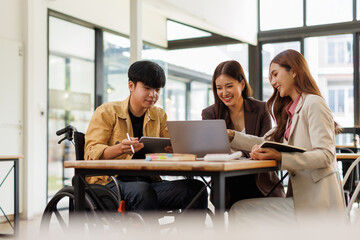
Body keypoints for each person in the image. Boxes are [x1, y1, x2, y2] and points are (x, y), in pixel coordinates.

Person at [228, 50, 345, 224]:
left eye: (275, 74)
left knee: (240, 210)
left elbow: (326, 155)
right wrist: (231, 136)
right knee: (241, 208)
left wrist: (281, 157)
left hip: (318, 206)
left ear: (294, 71)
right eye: (270, 77)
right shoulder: (291, 110)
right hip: (303, 201)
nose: (273, 82)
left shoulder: (313, 103)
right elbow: (264, 142)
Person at [84, 60, 208, 221]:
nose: (153, 95)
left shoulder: (159, 115)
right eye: (147, 88)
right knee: (142, 191)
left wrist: (174, 150)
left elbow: (169, 147)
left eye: (157, 89)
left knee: (196, 189)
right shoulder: (107, 112)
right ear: (131, 86)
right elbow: (90, 153)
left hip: (147, 183)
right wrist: (120, 149)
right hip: (109, 184)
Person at [202, 60, 284, 209]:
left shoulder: (261, 109)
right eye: (219, 88)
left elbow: (265, 145)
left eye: (229, 86)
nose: (224, 93)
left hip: (260, 181)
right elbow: (212, 150)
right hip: (228, 182)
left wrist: (236, 150)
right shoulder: (210, 114)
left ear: (242, 84)